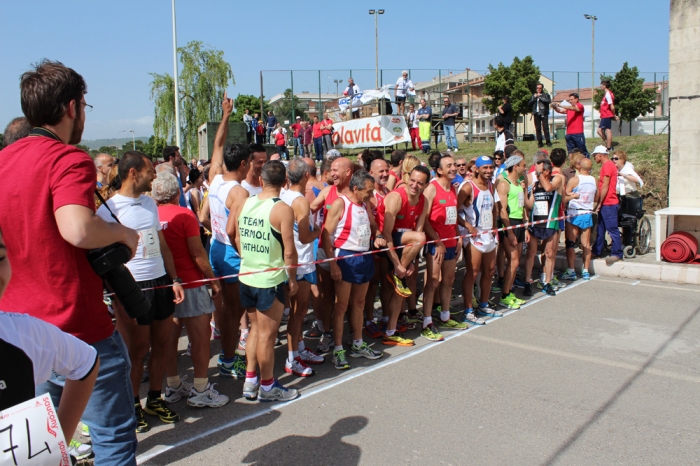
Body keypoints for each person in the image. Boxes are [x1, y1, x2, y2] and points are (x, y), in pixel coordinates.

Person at [0, 59, 140, 465]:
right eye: (84, 105)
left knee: (39, 445)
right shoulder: (68, 158)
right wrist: (122, 235)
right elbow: (77, 229)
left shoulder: (4, 161)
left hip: (18, 327)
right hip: (77, 325)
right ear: (71, 107)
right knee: (112, 438)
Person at [96, 151, 185, 433]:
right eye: (150, 171)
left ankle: (155, 399)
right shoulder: (108, 209)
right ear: (133, 173)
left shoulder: (149, 203)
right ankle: (133, 404)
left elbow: (162, 244)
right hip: (133, 288)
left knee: (163, 343)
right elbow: (106, 262)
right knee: (137, 351)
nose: (155, 175)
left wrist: (175, 279)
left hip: (160, 282)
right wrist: (117, 297)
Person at [151, 173, 229, 408]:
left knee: (169, 340)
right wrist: (213, 280)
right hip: (191, 284)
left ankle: (173, 386)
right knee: (199, 339)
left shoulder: (151, 215)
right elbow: (197, 253)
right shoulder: (184, 214)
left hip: (165, 285)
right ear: (177, 193)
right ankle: (200, 389)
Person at [231, 160, 299, 401]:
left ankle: (250, 381)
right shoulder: (282, 208)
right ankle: (268, 387)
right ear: (285, 183)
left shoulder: (246, 201)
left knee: (254, 332)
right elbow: (289, 252)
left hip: (247, 275)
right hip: (270, 280)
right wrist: (292, 279)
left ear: (261, 180)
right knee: (267, 337)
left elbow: (237, 237)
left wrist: (250, 259)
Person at [201, 95, 249, 380]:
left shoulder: (215, 176)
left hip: (216, 247)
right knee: (234, 311)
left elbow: (217, 144)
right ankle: (230, 360)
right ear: (243, 164)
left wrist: (226, 115)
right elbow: (237, 233)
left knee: (223, 311)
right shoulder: (239, 193)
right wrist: (247, 258)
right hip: (231, 251)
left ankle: (227, 356)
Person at [322, 170, 385, 369]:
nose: (371, 195)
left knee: (359, 303)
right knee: (341, 306)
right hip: (346, 258)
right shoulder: (341, 203)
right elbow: (325, 234)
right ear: (355, 189)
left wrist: (379, 235)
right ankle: (338, 349)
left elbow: (374, 225)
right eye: (368, 192)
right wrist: (333, 264)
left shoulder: (364, 203)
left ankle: (358, 343)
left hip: (364, 256)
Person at [280, 159, 324, 377]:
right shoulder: (300, 201)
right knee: (298, 314)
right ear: (307, 176)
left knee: (296, 312)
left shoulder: (284, 195)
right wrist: (319, 230)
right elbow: (306, 236)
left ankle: (298, 349)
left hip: (294, 260)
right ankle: (292, 359)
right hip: (301, 262)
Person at [379, 166, 431, 345]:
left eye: (420, 183)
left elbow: (419, 228)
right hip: (385, 243)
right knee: (419, 238)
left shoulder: (424, 201)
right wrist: (398, 265)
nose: (415, 185)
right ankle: (396, 275)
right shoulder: (396, 197)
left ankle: (390, 331)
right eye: (413, 180)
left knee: (400, 290)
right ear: (408, 178)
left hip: (405, 244)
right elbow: (386, 235)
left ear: (426, 185)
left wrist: (409, 262)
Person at [421, 153, 469, 340]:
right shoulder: (431, 189)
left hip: (451, 242)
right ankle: (426, 321)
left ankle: (445, 316)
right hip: (436, 244)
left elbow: (453, 216)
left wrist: (457, 237)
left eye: (454, 165)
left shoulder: (453, 189)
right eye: (448, 165)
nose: (453, 168)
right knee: (433, 281)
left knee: (449, 280)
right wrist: (437, 242)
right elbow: (423, 220)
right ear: (439, 170)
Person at [459, 156, 501, 320]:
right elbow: (454, 209)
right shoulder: (468, 187)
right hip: (474, 236)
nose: (489, 171)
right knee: (473, 272)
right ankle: (468, 310)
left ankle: (484, 304)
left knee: (490, 271)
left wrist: (494, 224)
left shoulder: (491, 185)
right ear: (476, 169)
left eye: (491, 167)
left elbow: (493, 208)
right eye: (485, 168)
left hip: (488, 234)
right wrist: (468, 226)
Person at [524, 158, 563, 296]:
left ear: (547, 171)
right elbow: (529, 205)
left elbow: (548, 188)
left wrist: (540, 174)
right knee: (531, 252)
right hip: (536, 223)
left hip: (550, 223)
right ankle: (527, 282)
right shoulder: (535, 185)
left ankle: (547, 282)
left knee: (549, 253)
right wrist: (524, 193)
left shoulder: (557, 179)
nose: (537, 174)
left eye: (539, 172)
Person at [496, 156, 528, 309]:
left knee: (516, 262)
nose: (525, 168)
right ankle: (504, 295)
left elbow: (522, 207)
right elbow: (502, 210)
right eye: (523, 165)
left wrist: (526, 227)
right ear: (515, 167)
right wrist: (509, 231)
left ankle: (509, 292)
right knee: (513, 261)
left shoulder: (518, 184)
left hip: (519, 223)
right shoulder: (504, 184)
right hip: (510, 224)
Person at [561, 157, 598, 282]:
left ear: (579, 167)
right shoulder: (594, 180)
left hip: (574, 213)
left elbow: (565, 195)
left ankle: (571, 270)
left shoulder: (574, 180)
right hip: (587, 212)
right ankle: (586, 270)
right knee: (586, 243)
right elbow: (597, 197)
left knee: (570, 242)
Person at [591, 145, 622, 264]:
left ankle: (616, 253)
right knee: (601, 228)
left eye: (595, 156)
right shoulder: (607, 166)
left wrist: (599, 202)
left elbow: (605, 186)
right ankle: (597, 250)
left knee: (612, 229)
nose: (594, 158)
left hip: (609, 202)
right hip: (607, 202)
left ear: (599, 154)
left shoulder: (608, 166)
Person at [552, 92, 588, 157]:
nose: (570, 101)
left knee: (582, 150)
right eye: (569, 100)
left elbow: (574, 108)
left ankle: (586, 161)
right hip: (569, 133)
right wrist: (555, 107)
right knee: (571, 151)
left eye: (571, 99)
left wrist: (560, 105)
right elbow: (560, 111)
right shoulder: (569, 108)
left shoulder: (580, 106)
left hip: (578, 133)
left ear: (576, 99)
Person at [528, 83, 552, 148]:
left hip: (544, 113)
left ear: (542, 89)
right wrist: (534, 98)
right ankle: (540, 142)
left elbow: (548, 101)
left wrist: (540, 97)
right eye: (537, 88)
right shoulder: (534, 95)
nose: (538, 89)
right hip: (536, 113)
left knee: (545, 128)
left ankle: (548, 142)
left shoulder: (546, 95)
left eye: (540, 88)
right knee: (538, 129)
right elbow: (529, 103)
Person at [597, 80, 618, 151]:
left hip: (606, 115)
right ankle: (608, 144)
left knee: (607, 130)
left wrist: (614, 115)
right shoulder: (606, 94)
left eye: (601, 85)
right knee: (599, 131)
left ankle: (609, 147)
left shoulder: (608, 94)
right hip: (604, 115)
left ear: (604, 86)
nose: (600, 87)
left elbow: (612, 106)